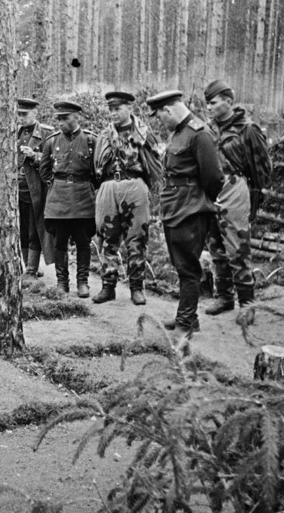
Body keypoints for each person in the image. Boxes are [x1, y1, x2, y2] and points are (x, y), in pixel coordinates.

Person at [147, 90, 224, 335]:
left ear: (168, 110)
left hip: (190, 211)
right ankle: (189, 318)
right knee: (182, 266)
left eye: (160, 117)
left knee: (189, 268)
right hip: (175, 208)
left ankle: (185, 324)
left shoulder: (199, 134)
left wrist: (201, 204)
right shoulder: (179, 134)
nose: (161, 122)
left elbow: (213, 178)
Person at [203, 79, 271, 316]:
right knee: (216, 246)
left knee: (237, 247)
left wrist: (257, 193)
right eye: (207, 103)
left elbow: (262, 166)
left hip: (235, 187)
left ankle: (247, 305)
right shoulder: (208, 129)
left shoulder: (247, 129)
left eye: (213, 103)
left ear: (228, 102)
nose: (209, 107)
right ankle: (224, 298)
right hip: (212, 190)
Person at [92, 91, 162, 305]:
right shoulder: (104, 135)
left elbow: (154, 165)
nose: (114, 113)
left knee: (137, 237)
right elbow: (97, 165)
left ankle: (136, 287)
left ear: (129, 108)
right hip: (109, 185)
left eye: (118, 109)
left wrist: (153, 191)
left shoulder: (143, 133)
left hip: (135, 185)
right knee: (107, 236)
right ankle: (108, 286)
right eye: (111, 110)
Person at [39, 101, 97, 297]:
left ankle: (83, 282)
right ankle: (62, 282)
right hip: (59, 200)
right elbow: (44, 171)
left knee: (83, 241)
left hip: (83, 198)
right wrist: (57, 186)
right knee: (60, 242)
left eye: (65, 118)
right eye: (59, 119)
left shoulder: (90, 140)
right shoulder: (51, 141)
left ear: (76, 117)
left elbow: (97, 172)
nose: (61, 123)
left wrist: (86, 186)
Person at [16, 98, 54, 279]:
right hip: (18, 189)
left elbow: (55, 160)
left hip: (36, 189)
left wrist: (35, 156)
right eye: (19, 114)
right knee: (22, 230)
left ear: (35, 113)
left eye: (25, 114)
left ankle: (31, 269)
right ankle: (27, 267)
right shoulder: (15, 132)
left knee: (35, 229)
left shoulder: (47, 133)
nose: (21, 118)